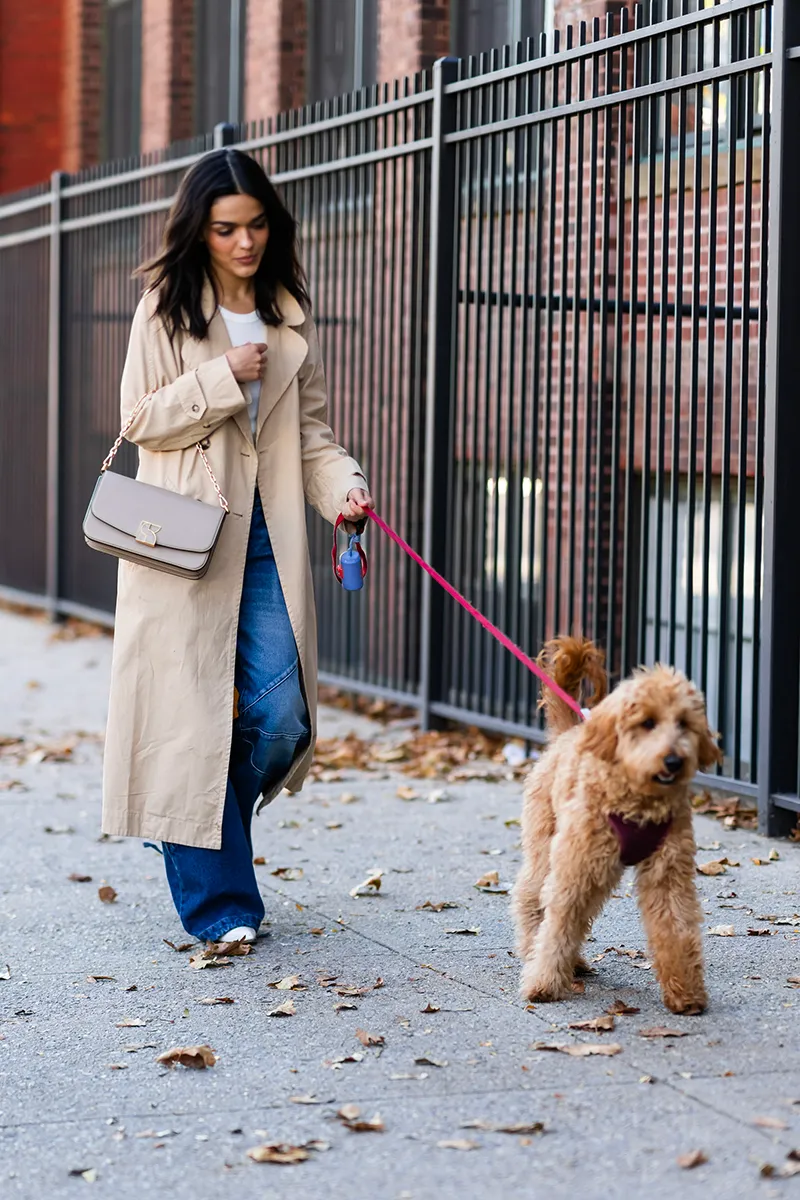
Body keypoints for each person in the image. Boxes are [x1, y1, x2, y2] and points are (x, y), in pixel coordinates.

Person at [101, 148, 373, 944]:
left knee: (284, 719)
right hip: (188, 535)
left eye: (256, 226)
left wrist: (343, 489)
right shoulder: (166, 306)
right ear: (201, 231)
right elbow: (140, 417)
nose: (245, 243)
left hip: (270, 533)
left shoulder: (287, 311)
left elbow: (311, 435)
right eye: (226, 229)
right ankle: (221, 904)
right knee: (190, 721)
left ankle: (193, 821)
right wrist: (221, 375)